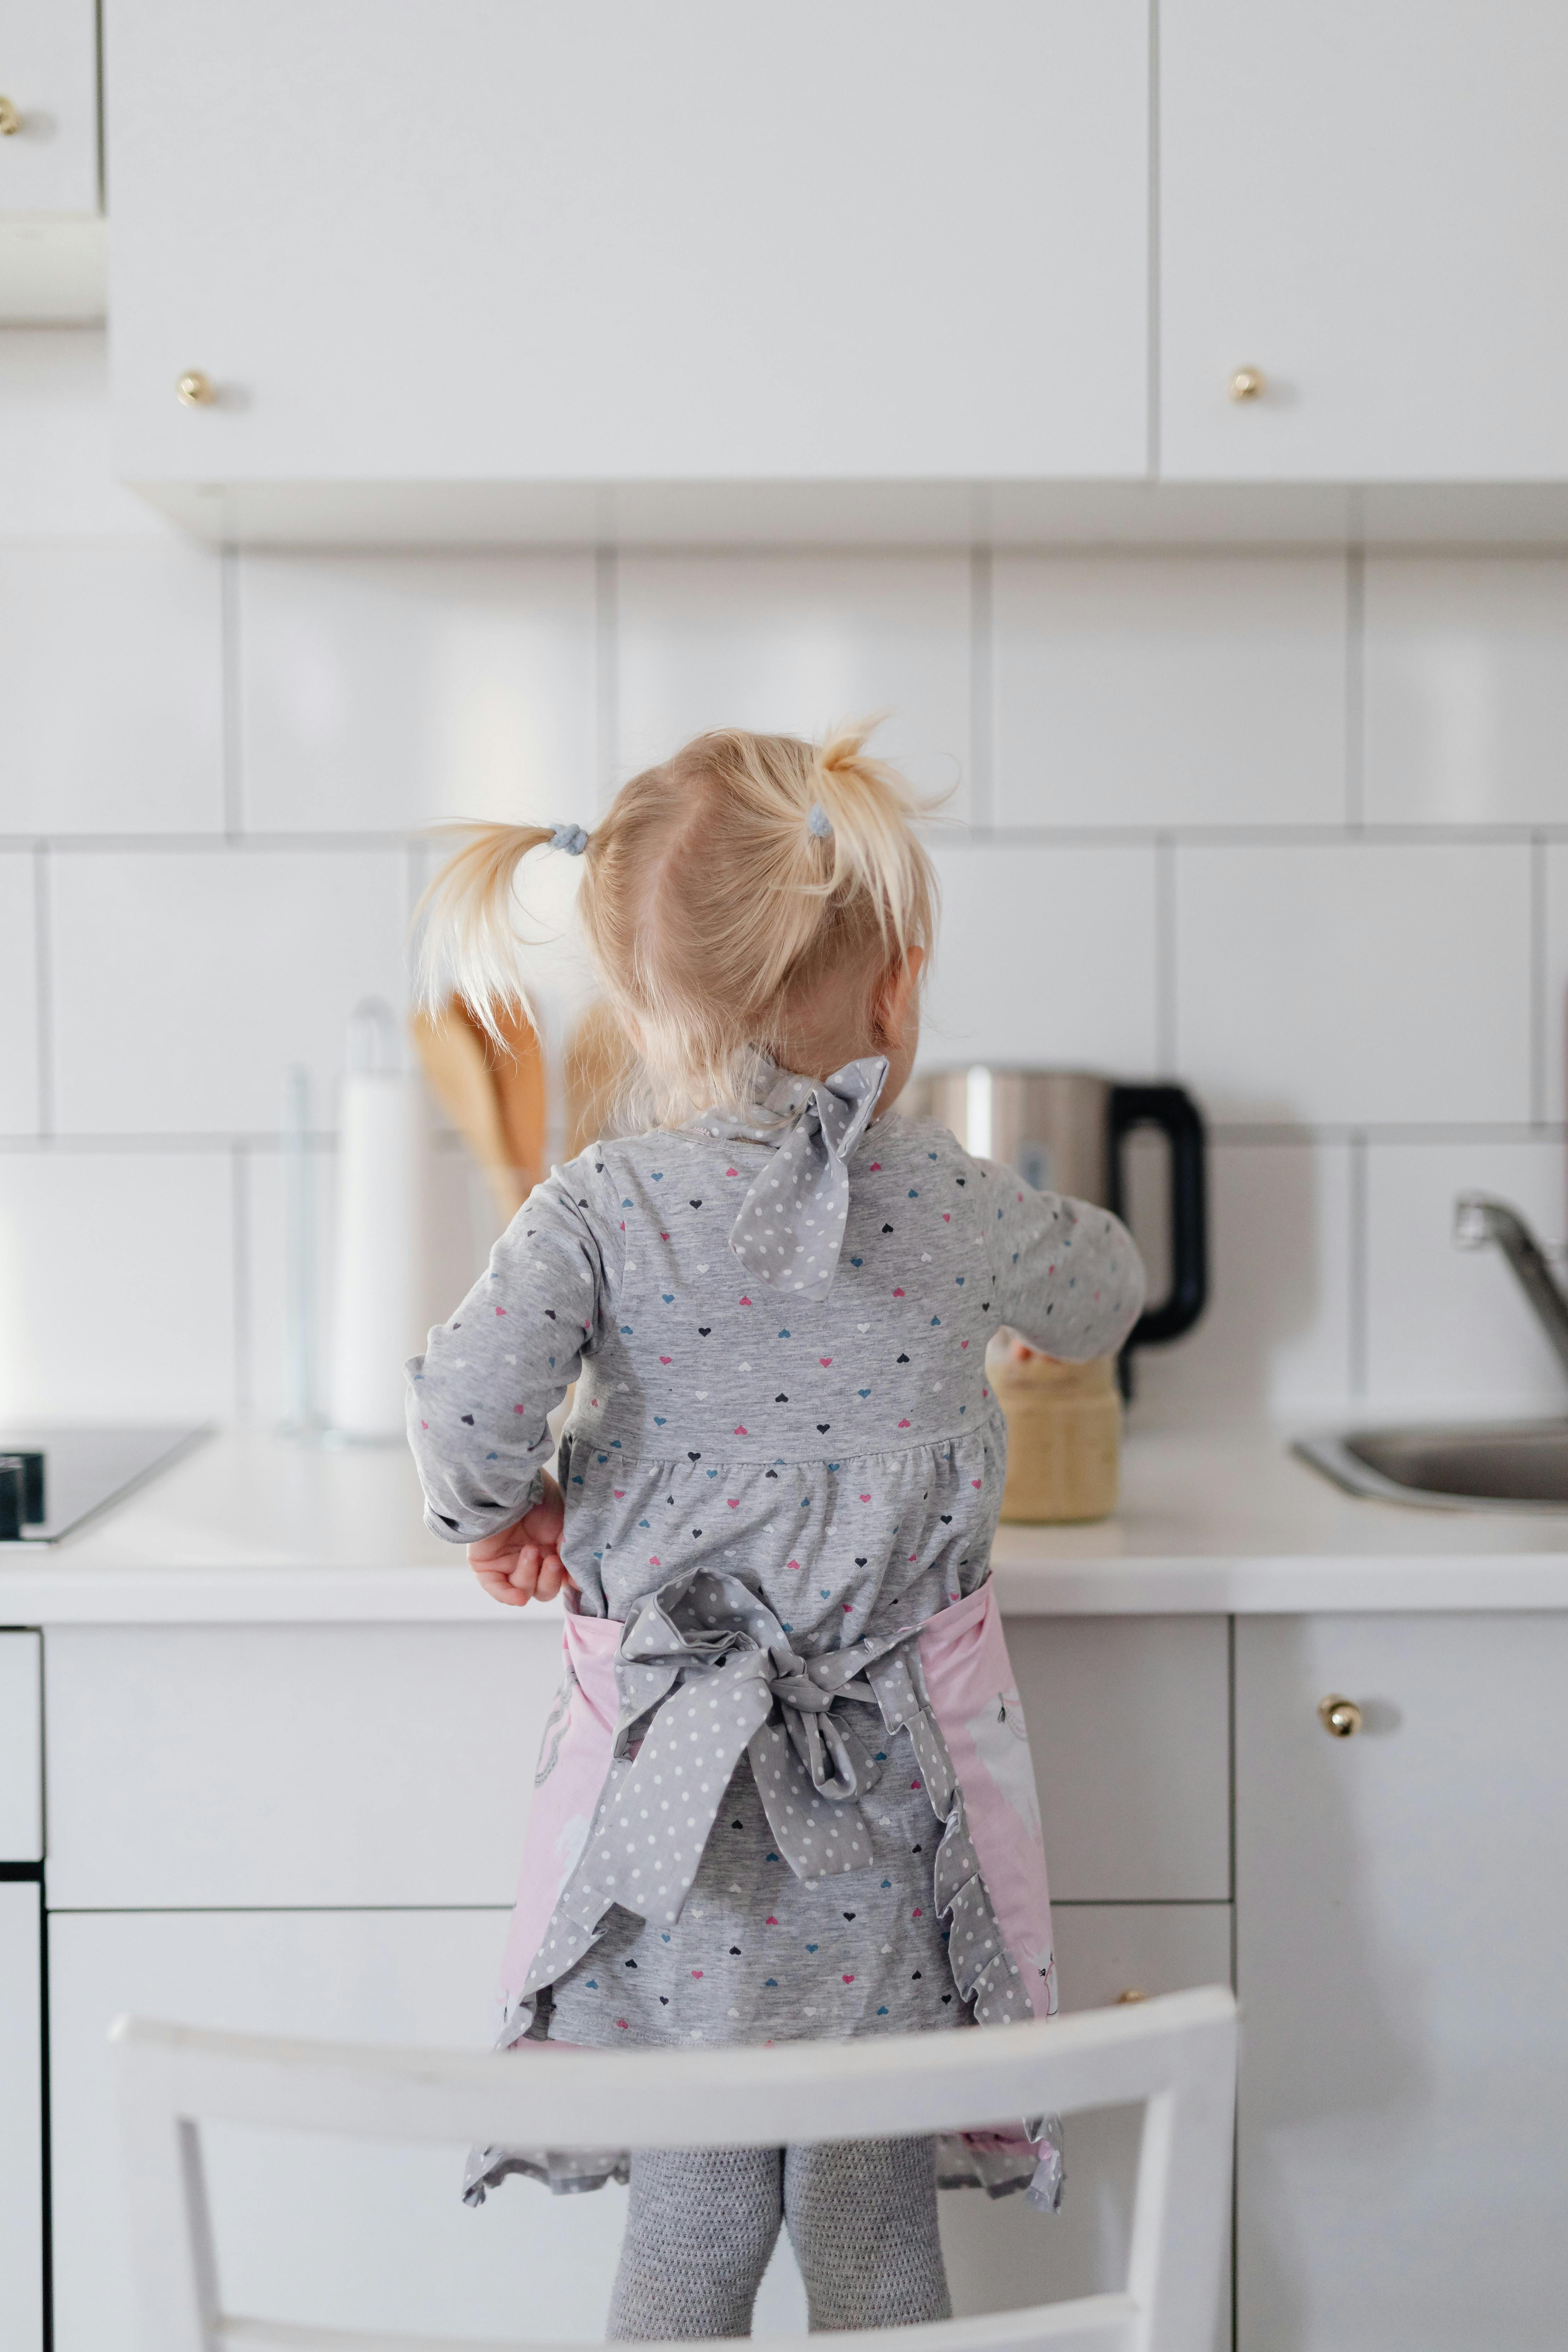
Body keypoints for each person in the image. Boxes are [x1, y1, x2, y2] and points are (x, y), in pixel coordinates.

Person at [405, 724, 1144, 2338]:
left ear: (634, 996)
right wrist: (1036, 1243)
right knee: (875, 2235)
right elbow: (1099, 1294)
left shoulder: (598, 1208)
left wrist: (522, 1502)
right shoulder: (943, 1192)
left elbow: (461, 1428)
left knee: (692, 2224)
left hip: (672, 1842)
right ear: (893, 986)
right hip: (884, 1824)